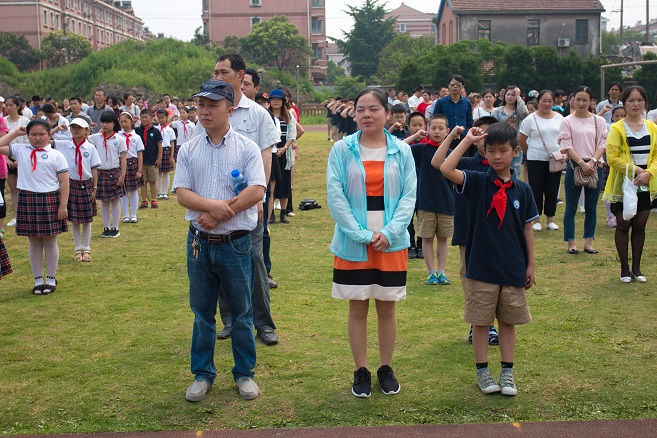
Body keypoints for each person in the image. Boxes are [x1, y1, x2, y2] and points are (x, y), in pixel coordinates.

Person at [172, 80, 266, 402]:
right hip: (199, 242)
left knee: (241, 313)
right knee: (202, 312)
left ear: (229, 109)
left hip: (236, 243)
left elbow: (256, 191)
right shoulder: (189, 149)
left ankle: (244, 374)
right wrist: (213, 208)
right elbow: (183, 194)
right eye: (201, 105)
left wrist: (219, 214)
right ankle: (202, 373)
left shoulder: (247, 147)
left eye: (212, 105)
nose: (205, 111)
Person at [327, 88, 416, 398]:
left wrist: (389, 233)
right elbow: (335, 196)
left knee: (387, 308)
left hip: (390, 243)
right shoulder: (341, 149)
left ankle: (385, 367)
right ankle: (361, 369)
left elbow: (409, 196)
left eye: (374, 108)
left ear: (387, 114)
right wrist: (363, 235)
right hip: (355, 243)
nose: (366, 114)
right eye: (360, 109)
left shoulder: (402, 151)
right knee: (357, 307)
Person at [440, 122, 538, 396]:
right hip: (480, 266)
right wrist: (466, 140)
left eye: (503, 151)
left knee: (508, 321)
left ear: (515, 152)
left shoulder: (523, 190)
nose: (496, 156)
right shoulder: (478, 181)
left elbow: (528, 229)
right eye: (491, 150)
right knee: (481, 322)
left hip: (512, 266)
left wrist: (530, 265)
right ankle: (483, 371)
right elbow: (445, 168)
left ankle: (507, 372)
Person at [195, 54, 279, 346]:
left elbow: (265, 156)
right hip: (214, 204)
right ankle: (229, 320)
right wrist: (208, 204)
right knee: (217, 262)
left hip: (247, 204)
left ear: (240, 75)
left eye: (223, 72)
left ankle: (263, 323)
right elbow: (199, 151)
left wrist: (259, 197)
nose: (218, 76)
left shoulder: (257, 114)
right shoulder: (206, 112)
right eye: (215, 71)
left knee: (254, 263)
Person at [431, 116, 500, 346]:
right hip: (469, 232)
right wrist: (457, 138)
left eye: (489, 135)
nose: (484, 140)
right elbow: (438, 162)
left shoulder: (501, 166)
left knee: (494, 279)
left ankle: (489, 323)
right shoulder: (467, 164)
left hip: (497, 233)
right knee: (470, 278)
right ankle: (478, 324)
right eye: (479, 134)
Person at [0, 120, 70, 295]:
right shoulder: (21, 150)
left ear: (49, 135)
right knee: (33, 240)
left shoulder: (56, 155)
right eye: (33, 134)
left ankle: (51, 278)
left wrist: (63, 205)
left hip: (50, 199)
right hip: (28, 198)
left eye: (42, 134)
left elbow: (64, 181)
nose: (38, 138)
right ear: (28, 135)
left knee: (49, 240)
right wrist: (16, 133)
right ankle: (38, 279)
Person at [603, 86, 657, 283]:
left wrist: (649, 173)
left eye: (640, 100)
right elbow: (612, 157)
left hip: (646, 183)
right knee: (624, 224)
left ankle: (637, 268)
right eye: (631, 100)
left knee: (640, 225)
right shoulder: (617, 128)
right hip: (624, 182)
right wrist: (636, 170)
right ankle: (624, 269)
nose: (636, 104)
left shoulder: (652, 127)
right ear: (624, 103)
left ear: (645, 103)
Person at [558, 86, 607, 255]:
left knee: (591, 208)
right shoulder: (567, 121)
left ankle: (589, 242)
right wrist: (581, 162)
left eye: (584, 99)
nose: (581, 103)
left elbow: (603, 144)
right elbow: (566, 146)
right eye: (577, 99)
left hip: (595, 166)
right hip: (574, 166)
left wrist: (592, 161)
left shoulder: (598, 121)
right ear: (572, 100)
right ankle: (571, 243)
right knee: (571, 208)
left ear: (591, 102)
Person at [407, 114, 454, 285]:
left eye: (441, 128)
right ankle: (430, 272)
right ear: (427, 129)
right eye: (433, 128)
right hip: (425, 202)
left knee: (443, 238)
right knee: (426, 239)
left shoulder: (451, 153)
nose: (437, 131)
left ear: (448, 131)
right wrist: (415, 137)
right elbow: (399, 148)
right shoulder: (421, 149)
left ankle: (441, 271)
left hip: (447, 203)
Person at [53, 118, 100, 262]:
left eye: (79, 128)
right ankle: (77, 248)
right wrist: (56, 129)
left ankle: (86, 248)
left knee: (86, 220)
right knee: (74, 220)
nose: (76, 130)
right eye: (73, 127)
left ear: (87, 130)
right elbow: (45, 138)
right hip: (71, 184)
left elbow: (94, 169)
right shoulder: (64, 145)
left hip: (86, 184)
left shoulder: (90, 147)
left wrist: (95, 187)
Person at [518, 90, 563, 231]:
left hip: (554, 159)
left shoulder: (560, 118)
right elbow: (521, 139)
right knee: (536, 189)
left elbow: (564, 137)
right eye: (544, 100)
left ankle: (550, 219)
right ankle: (536, 219)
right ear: (538, 101)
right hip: (535, 159)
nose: (547, 104)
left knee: (552, 189)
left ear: (554, 102)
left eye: (550, 101)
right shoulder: (531, 119)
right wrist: (529, 153)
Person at [87, 111, 126, 238]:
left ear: (114, 123)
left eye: (108, 122)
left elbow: (123, 158)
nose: (105, 125)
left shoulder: (119, 139)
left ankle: (115, 227)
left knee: (115, 201)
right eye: (103, 122)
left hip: (114, 172)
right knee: (103, 202)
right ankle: (106, 227)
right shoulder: (96, 138)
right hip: (100, 172)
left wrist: (122, 176)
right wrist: (93, 129)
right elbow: (84, 137)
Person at [3, 97, 31, 228]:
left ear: (17, 106)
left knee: (25, 187)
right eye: (6, 105)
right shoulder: (3, 121)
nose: (8, 108)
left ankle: (28, 214)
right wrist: (7, 158)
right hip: (7, 156)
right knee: (13, 189)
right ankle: (16, 216)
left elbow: (29, 140)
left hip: (23, 156)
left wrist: (20, 159)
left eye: (11, 105)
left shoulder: (25, 121)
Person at [269, 89, 296, 224]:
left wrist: (284, 148)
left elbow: (292, 134)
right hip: (271, 153)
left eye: (278, 99)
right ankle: (271, 213)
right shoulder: (266, 115)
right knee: (272, 183)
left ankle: (284, 213)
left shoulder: (289, 117)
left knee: (285, 183)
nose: (276, 101)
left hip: (285, 153)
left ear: (283, 101)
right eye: (273, 99)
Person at [403, 112, 427, 259]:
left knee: (423, 218)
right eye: (414, 125)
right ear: (408, 127)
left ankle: (421, 245)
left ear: (425, 126)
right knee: (408, 218)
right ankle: (410, 244)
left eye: (420, 125)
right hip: (407, 186)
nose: (418, 128)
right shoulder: (404, 143)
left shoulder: (430, 145)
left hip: (425, 187)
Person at [491, 86, 528, 176]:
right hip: (500, 143)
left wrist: (519, 97)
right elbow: (493, 127)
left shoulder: (518, 112)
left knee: (515, 171)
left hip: (515, 144)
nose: (510, 97)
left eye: (513, 95)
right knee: (499, 169)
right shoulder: (497, 111)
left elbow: (525, 113)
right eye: (508, 94)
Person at [430, 75, 474, 146]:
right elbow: (435, 119)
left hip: (463, 137)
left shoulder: (467, 102)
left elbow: (469, 121)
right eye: (453, 84)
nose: (455, 87)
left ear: (462, 87)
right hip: (445, 137)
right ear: (449, 86)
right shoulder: (441, 102)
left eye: (458, 84)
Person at [118, 112, 145, 224]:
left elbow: (139, 154)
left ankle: (134, 214)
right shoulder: (118, 136)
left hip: (133, 163)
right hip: (121, 163)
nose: (124, 124)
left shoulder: (136, 137)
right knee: (123, 191)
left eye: (126, 121)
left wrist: (139, 170)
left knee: (133, 190)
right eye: (121, 122)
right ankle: (126, 215)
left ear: (131, 122)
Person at [135, 109, 163, 209]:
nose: (144, 119)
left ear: (151, 118)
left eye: (146, 117)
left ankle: (154, 200)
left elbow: (159, 144)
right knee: (143, 182)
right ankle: (144, 200)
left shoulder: (155, 131)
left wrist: (160, 157)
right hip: (141, 162)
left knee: (153, 181)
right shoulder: (137, 130)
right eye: (142, 117)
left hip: (152, 160)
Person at [604, 106, 627, 228]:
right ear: (612, 117)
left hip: (625, 163)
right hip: (610, 162)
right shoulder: (609, 127)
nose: (619, 118)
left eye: (622, 115)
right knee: (610, 189)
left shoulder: (630, 128)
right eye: (616, 116)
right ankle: (610, 216)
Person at [155, 109, 176, 200]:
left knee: (166, 173)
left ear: (167, 118)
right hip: (158, 151)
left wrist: (171, 156)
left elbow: (172, 143)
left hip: (167, 151)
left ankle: (165, 192)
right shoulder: (156, 129)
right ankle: (160, 192)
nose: (161, 120)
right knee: (158, 173)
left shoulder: (170, 130)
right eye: (159, 118)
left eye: (162, 118)